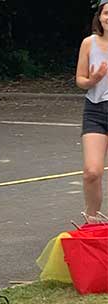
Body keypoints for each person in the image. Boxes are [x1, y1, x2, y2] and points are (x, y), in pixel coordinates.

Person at [76, 0, 108, 224]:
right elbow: (80, 80)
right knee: (92, 171)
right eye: (107, 13)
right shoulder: (89, 43)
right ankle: (92, 220)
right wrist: (93, 79)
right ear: (100, 16)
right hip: (95, 110)